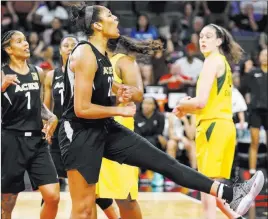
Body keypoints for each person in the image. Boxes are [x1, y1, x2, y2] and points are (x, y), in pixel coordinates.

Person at [59, 5, 264, 219]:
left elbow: (99, 84)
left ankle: (232, 194)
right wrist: (120, 110)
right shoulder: (84, 53)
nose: (116, 18)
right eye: (110, 15)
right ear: (98, 25)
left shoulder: (103, 57)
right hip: (79, 133)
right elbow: (81, 108)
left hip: (104, 127)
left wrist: (120, 89)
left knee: (166, 163)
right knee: (83, 209)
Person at [172, 23, 253, 219]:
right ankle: (235, 217)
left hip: (212, 127)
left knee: (206, 190)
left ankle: (238, 198)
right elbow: (207, 101)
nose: (203, 40)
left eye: (208, 36)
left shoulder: (210, 62)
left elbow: (200, 103)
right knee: (215, 188)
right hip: (225, 126)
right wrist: (188, 106)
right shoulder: (222, 62)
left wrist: (183, 104)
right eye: (200, 37)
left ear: (218, 41)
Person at [1, 30, 60, 219]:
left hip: (37, 141)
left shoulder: (38, 72)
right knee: (7, 203)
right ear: (8, 49)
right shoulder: (2, 73)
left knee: (53, 196)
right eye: (19, 42)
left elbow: (38, 105)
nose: (26, 43)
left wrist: (52, 117)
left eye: (25, 40)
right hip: (11, 140)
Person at [95, 38, 145, 219]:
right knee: (90, 196)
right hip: (93, 133)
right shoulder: (91, 59)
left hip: (118, 134)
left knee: (125, 198)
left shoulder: (123, 61)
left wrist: (118, 88)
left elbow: (138, 93)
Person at [43, 35, 78, 188]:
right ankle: (49, 206)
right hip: (58, 128)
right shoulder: (51, 75)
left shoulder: (85, 73)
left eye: (73, 45)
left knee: (78, 174)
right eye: (66, 45)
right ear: (60, 50)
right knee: (54, 175)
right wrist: (46, 128)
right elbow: (45, 107)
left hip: (79, 127)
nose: (70, 47)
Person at [245, 48, 268, 177]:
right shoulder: (253, 72)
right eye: (263, 55)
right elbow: (244, 88)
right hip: (256, 112)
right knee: (254, 141)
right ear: (259, 57)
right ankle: (252, 172)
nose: (265, 57)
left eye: (267, 55)